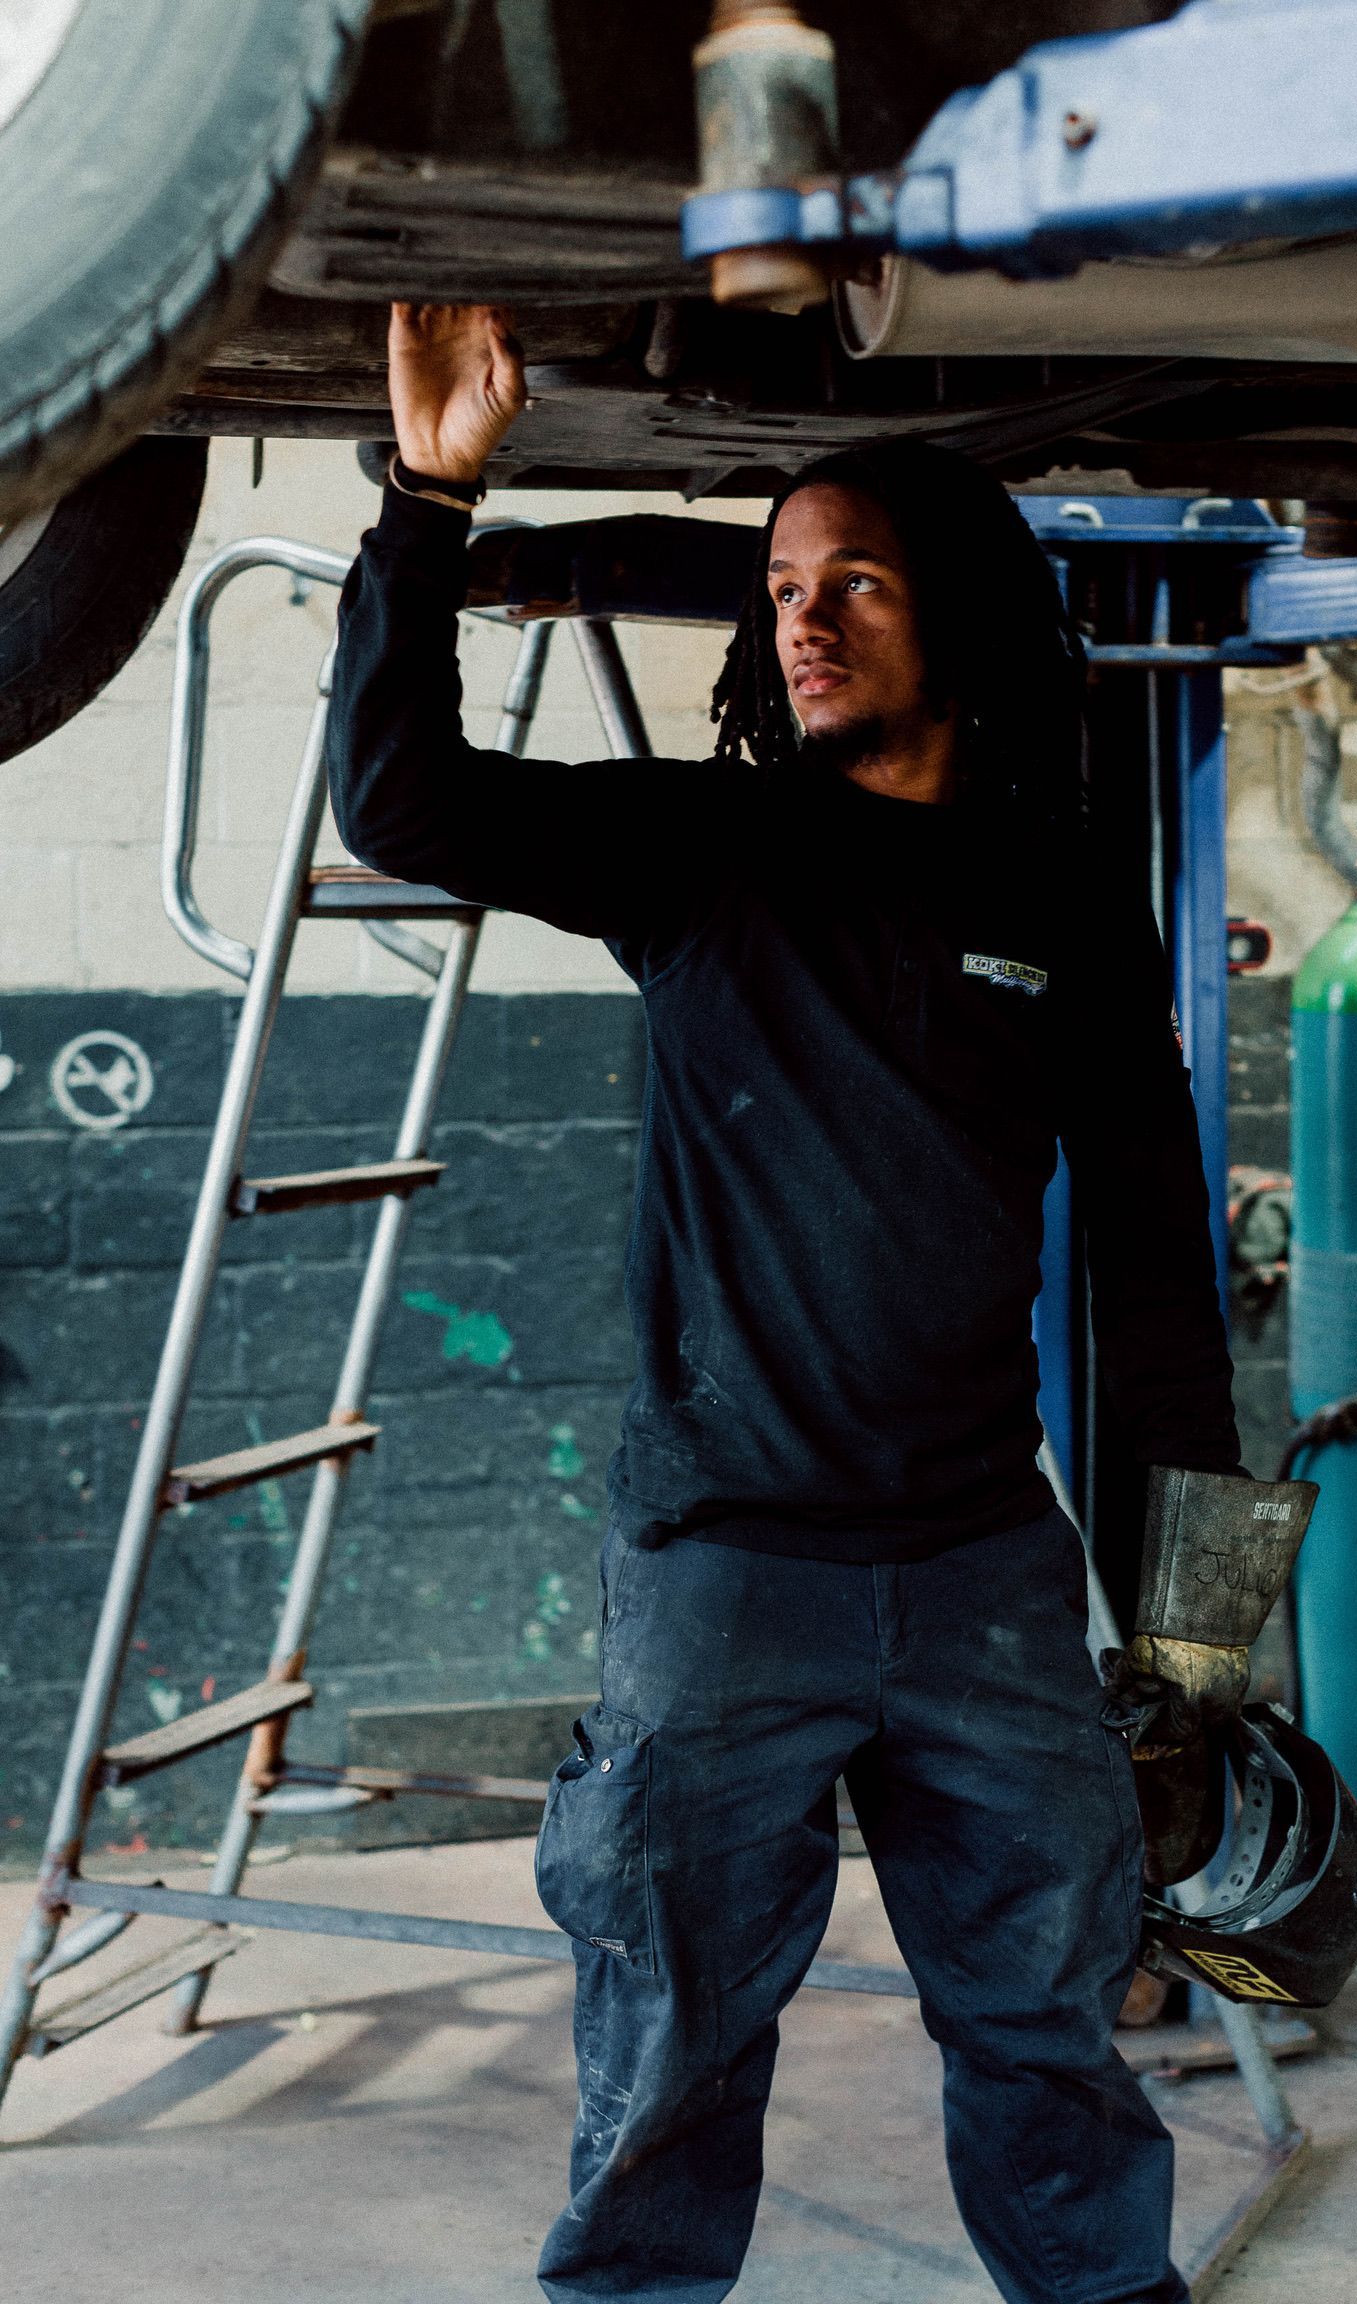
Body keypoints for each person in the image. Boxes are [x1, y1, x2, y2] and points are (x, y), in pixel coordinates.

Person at [326, 303, 1244, 2304]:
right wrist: (426, 502)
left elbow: (1166, 1286)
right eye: (781, 589)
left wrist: (1196, 1641)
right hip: (728, 1572)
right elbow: (401, 807)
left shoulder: (1063, 900)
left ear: (960, 626)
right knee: (668, 2057)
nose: (804, 622)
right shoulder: (706, 851)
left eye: (856, 585)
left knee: (1048, 2036)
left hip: (985, 1570)